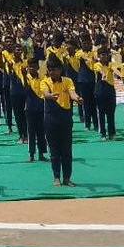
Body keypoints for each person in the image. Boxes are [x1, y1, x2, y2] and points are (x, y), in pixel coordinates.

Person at [43, 58, 81, 187]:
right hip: (51, 119)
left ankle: (67, 178)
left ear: (60, 69)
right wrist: (49, 96)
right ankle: (56, 177)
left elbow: (72, 93)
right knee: (54, 151)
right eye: (50, 70)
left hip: (65, 118)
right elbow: (45, 93)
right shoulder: (45, 81)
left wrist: (77, 98)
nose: (52, 72)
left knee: (66, 150)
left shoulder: (68, 81)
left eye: (54, 69)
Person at [22, 58, 48, 162]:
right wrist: (24, 76)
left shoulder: (43, 78)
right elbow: (26, 88)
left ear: (38, 67)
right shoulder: (26, 77)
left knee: (41, 131)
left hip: (41, 107)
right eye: (30, 67)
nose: (32, 68)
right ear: (28, 68)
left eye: (34, 66)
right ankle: (31, 154)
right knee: (31, 131)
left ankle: (41, 153)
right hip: (30, 107)